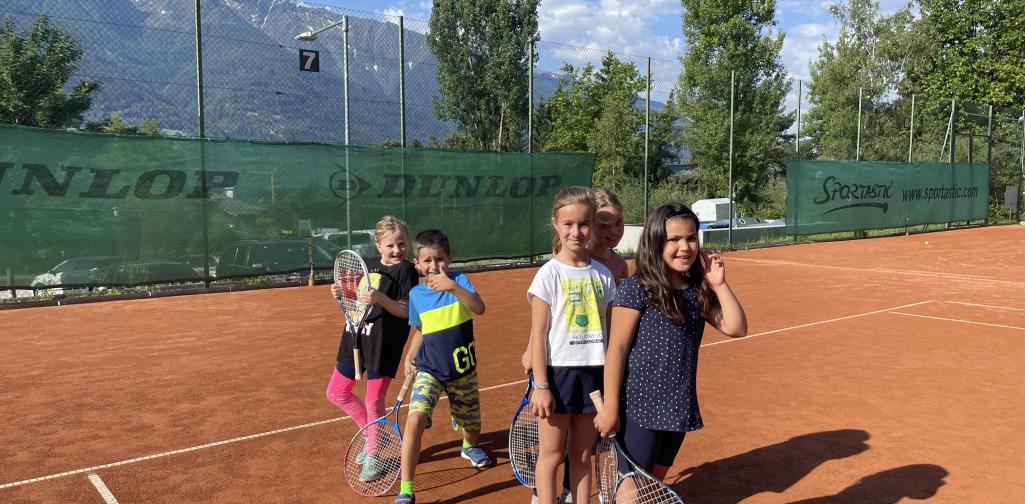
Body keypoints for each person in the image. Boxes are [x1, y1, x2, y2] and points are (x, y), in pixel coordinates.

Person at [594, 203, 748, 486]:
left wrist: (719, 284)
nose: (685, 247)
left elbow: (736, 328)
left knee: (654, 482)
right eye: (674, 239)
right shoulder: (636, 288)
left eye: (691, 238)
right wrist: (611, 407)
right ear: (655, 242)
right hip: (640, 406)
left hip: (678, 404)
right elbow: (616, 349)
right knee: (631, 485)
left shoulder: (696, 290)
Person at [520, 186, 629, 504]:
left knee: (582, 454)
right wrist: (541, 385)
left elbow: (612, 334)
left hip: (594, 376)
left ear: (592, 225)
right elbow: (539, 334)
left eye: (584, 224)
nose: (577, 232)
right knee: (551, 456)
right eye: (569, 224)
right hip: (557, 376)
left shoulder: (605, 276)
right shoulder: (548, 275)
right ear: (555, 223)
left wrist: (611, 391)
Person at [395, 229, 491, 504]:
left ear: (450, 258)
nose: (433, 266)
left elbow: (479, 308)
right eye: (426, 261)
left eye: (439, 259)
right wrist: (409, 355)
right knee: (414, 419)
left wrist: (454, 287)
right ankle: (406, 489)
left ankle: (469, 446)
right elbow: (420, 328)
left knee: (472, 427)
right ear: (417, 263)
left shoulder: (460, 280)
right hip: (430, 370)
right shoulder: (416, 294)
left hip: (463, 371)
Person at [326, 216, 418, 482]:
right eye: (390, 245)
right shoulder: (368, 267)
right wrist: (340, 294)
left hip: (383, 345)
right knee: (336, 392)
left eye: (401, 244)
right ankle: (370, 436)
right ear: (378, 245)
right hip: (354, 337)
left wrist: (381, 298)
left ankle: (374, 454)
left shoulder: (407, 271)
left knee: (373, 401)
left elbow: (406, 310)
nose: (397, 250)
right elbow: (357, 304)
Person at [590, 188, 628, 283]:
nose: (614, 231)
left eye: (618, 222)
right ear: (588, 224)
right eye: (604, 225)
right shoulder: (579, 261)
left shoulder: (620, 264)